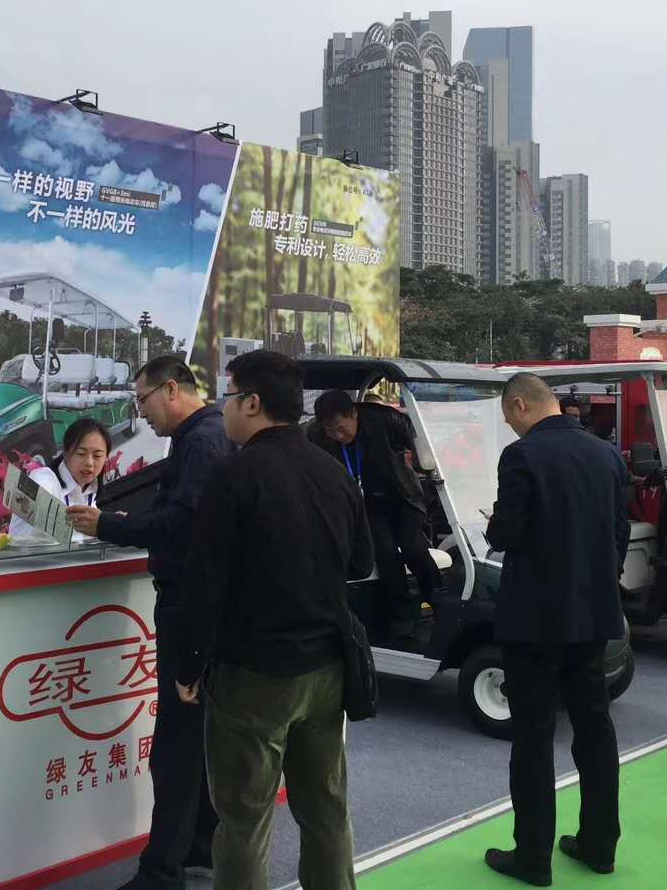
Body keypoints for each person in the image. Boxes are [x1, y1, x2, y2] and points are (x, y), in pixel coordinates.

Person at [177, 350, 373, 890]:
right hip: (328, 669)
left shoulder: (233, 475)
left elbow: (205, 582)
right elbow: (361, 564)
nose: (223, 410)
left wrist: (189, 665)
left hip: (254, 675)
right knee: (326, 809)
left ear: (252, 403)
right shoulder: (334, 472)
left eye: (227, 398)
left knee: (244, 818)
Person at [67, 356, 234, 890]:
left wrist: (110, 526)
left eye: (142, 400)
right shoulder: (204, 438)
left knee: (177, 743)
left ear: (171, 389)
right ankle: (200, 846)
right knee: (194, 737)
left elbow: (182, 527)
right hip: (197, 605)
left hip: (189, 608)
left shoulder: (201, 442)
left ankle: (163, 871)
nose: (140, 413)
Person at [483, 373, 627, 887]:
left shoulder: (520, 457)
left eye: (509, 417)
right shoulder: (606, 454)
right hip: (593, 613)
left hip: (534, 619)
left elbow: (507, 532)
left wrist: (492, 523)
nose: (511, 426)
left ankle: (533, 857)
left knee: (534, 735)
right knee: (594, 726)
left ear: (521, 405)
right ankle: (599, 845)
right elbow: (619, 531)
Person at [311, 389, 440, 636]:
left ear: (354, 414)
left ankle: (440, 604)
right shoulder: (318, 435)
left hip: (402, 496)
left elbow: (418, 435)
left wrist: (422, 461)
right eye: (331, 431)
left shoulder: (385, 419)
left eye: (341, 428)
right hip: (368, 505)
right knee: (385, 554)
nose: (338, 436)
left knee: (414, 549)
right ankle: (402, 618)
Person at [6, 418, 110, 544]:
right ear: (65, 453)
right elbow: (49, 533)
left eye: (97, 456)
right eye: (81, 454)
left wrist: (109, 523)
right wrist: (105, 525)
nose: (89, 463)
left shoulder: (90, 489)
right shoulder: (41, 479)